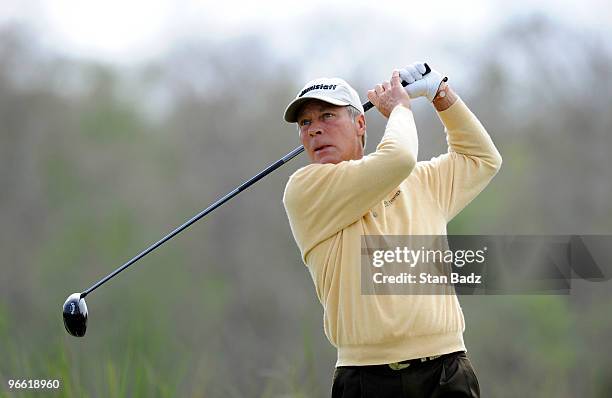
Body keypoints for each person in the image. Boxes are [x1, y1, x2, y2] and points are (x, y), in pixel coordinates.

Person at [282, 63, 502, 397]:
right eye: (305, 123)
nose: (313, 130)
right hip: (365, 379)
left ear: (360, 124)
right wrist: (400, 108)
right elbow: (398, 157)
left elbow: (482, 159)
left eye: (327, 116)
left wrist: (440, 94)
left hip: (445, 371)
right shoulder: (306, 189)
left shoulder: (422, 182)